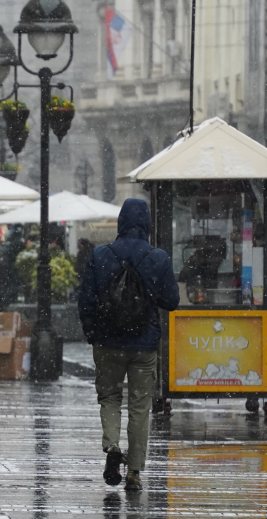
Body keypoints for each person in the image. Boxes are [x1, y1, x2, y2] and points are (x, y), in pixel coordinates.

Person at [76, 199, 180, 492]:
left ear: (121, 222)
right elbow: (172, 301)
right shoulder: (158, 257)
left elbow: (85, 300)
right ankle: (134, 472)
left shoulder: (100, 255)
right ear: (147, 224)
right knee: (140, 405)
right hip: (144, 344)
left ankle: (112, 446)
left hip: (108, 343)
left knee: (109, 397)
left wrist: (92, 332)